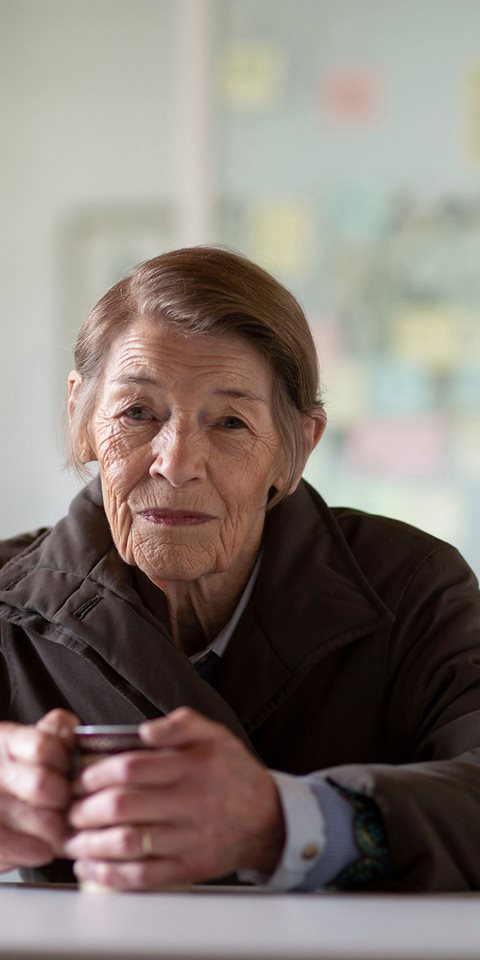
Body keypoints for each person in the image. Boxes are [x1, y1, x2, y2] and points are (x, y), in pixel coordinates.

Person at [0, 246, 479, 893]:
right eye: (137, 413)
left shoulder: (412, 588)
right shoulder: (7, 607)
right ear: (81, 418)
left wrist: (286, 822)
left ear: (296, 447)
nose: (177, 463)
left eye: (230, 422)